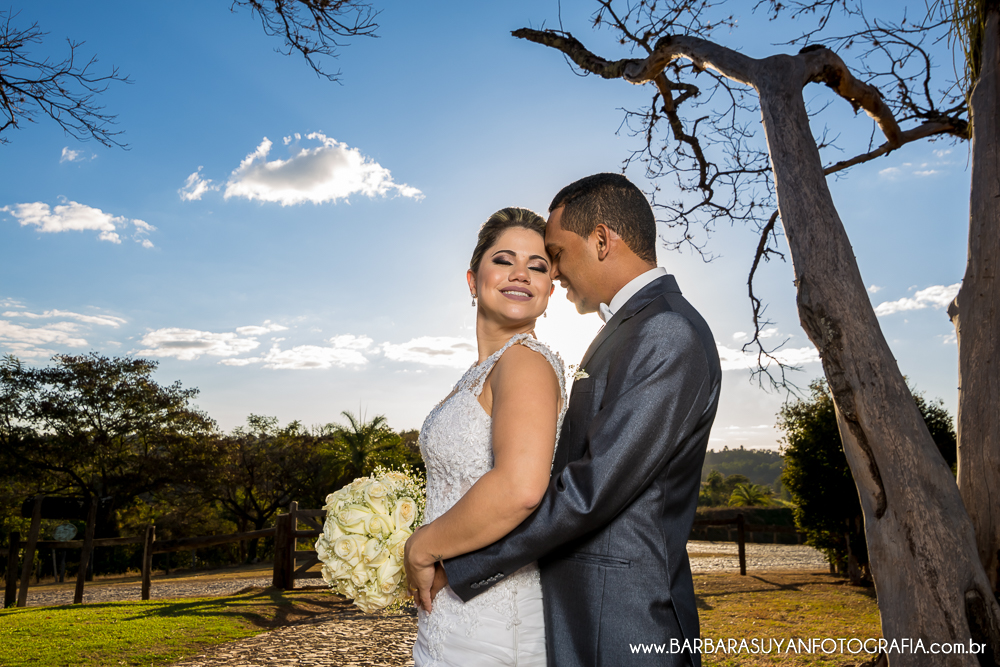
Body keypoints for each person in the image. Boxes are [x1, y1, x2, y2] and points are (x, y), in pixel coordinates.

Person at [416, 173, 722, 667]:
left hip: (627, 621)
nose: (552, 273)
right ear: (472, 280)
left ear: (602, 240)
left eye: (551, 255)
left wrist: (452, 556)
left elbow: (589, 488)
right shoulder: (630, 328)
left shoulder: (665, 328)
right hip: (579, 612)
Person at [405, 206, 567, 666]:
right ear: (473, 280)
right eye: (504, 260)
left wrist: (423, 546)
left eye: (538, 267)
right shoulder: (479, 373)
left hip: (496, 623)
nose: (522, 273)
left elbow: (519, 488)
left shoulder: (526, 363)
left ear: (549, 293)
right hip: (450, 617)